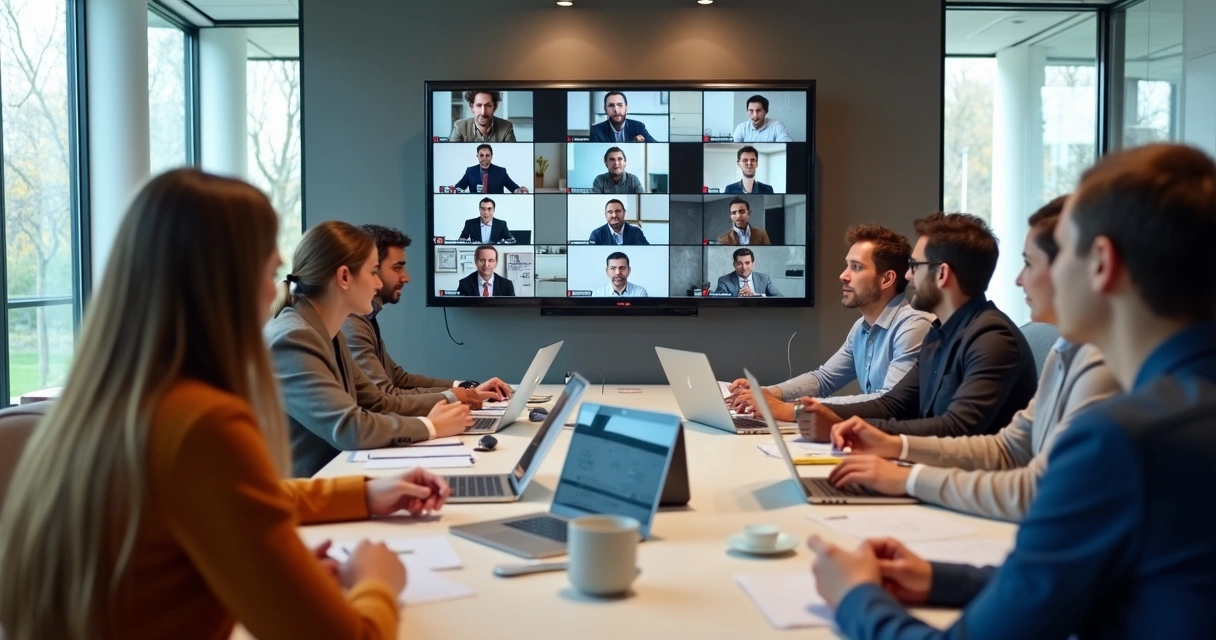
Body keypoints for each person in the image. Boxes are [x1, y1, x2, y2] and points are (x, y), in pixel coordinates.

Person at [0, 169, 451, 640]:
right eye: (270, 271)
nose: (277, 290)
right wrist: (377, 578)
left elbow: (241, 499)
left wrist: (363, 494)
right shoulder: (201, 423)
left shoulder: (111, 400)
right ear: (226, 282)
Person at [808, 143, 1216, 640]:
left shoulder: (1121, 439)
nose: (1022, 278)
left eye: (1057, 251)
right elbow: (1095, 582)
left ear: (1101, 263)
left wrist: (854, 597)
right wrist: (941, 577)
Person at [825, 199, 1119, 522]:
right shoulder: (1065, 351)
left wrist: (905, 473)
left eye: (1029, 264)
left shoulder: (999, 338)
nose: (1019, 279)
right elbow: (1007, 448)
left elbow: (967, 434)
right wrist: (884, 442)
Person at [791, 213, 1037, 441]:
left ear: (942, 274)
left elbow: (955, 429)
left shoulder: (993, 338)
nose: (908, 276)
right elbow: (893, 404)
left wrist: (844, 428)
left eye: (915, 266)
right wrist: (814, 410)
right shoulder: (940, 333)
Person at [267, 221, 474, 477]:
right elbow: (350, 428)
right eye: (373, 272)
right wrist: (430, 425)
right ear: (344, 277)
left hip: (337, 481)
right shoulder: (294, 337)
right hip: (305, 499)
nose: (377, 285)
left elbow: (375, 402)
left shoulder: (329, 334)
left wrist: (447, 404)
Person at [729, 225, 932, 418]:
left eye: (856, 267)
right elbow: (824, 379)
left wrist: (790, 410)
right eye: (847, 265)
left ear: (886, 279)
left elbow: (887, 401)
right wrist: (769, 393)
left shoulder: (914, 326)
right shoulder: (861, 328)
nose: (843, 275)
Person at [342, 224, 515, 401]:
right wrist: (461, 396)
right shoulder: (352, 325)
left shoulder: (366, 318)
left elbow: (399, 379)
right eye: (397, 268)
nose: (406, 277)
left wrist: (466, 387)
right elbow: (386, 396)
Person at [451, 144, 528, 194]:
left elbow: (514, 188)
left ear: (491, 156)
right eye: (481, 155)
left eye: (487, 155)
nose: (484, 158)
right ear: (477, 156)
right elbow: (459, 188)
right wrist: (452, 189)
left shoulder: (501, 172)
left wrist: (520, 190)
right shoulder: (470, 171)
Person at [449, 90, 517, 142]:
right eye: (479, 105)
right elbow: (452, 155)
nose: (483, 112)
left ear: (495, 107)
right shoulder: (460, 127)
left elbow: (512, 156)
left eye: (488, 106)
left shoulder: (506, 127)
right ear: (472, 107)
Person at [589, 91, 657, 142]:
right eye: (611, 105)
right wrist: (632, 142)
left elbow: (656, 145)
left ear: (626, 108)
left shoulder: (638, 127)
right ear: (605, 109)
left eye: (620, 105)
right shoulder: (596, 131)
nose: (616, 110)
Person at [713, 248, 780, 297]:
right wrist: (738, 296)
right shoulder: (724, 280)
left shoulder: (765, 278)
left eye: (747, 263)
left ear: (753, 264)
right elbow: (718, 300)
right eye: (739, 264)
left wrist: (756, 295)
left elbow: (780, 298)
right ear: (734, 265)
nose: (744, 267)